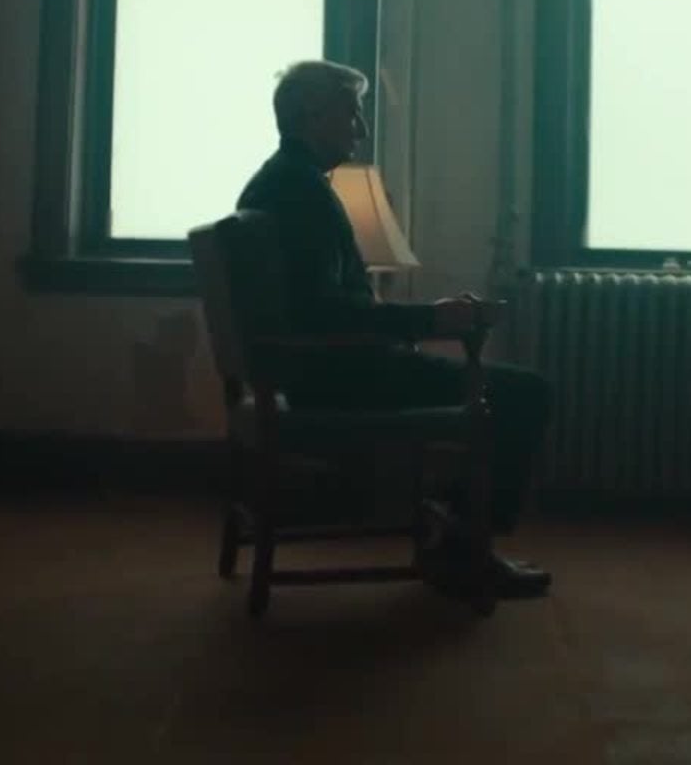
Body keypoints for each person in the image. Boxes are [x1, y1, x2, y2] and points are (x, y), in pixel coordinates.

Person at [235, 59, 553, 600]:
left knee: (508, 389)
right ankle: (464, 547)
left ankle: (452, 533)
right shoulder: (299, 193)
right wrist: (432, 319)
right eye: (352, 114)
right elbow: (327, 315)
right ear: (312, 114)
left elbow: (320, 305)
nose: (360, 130)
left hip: (319, 367)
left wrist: (421, 318)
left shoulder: (282, 182)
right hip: (340, 375)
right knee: (525, 394)